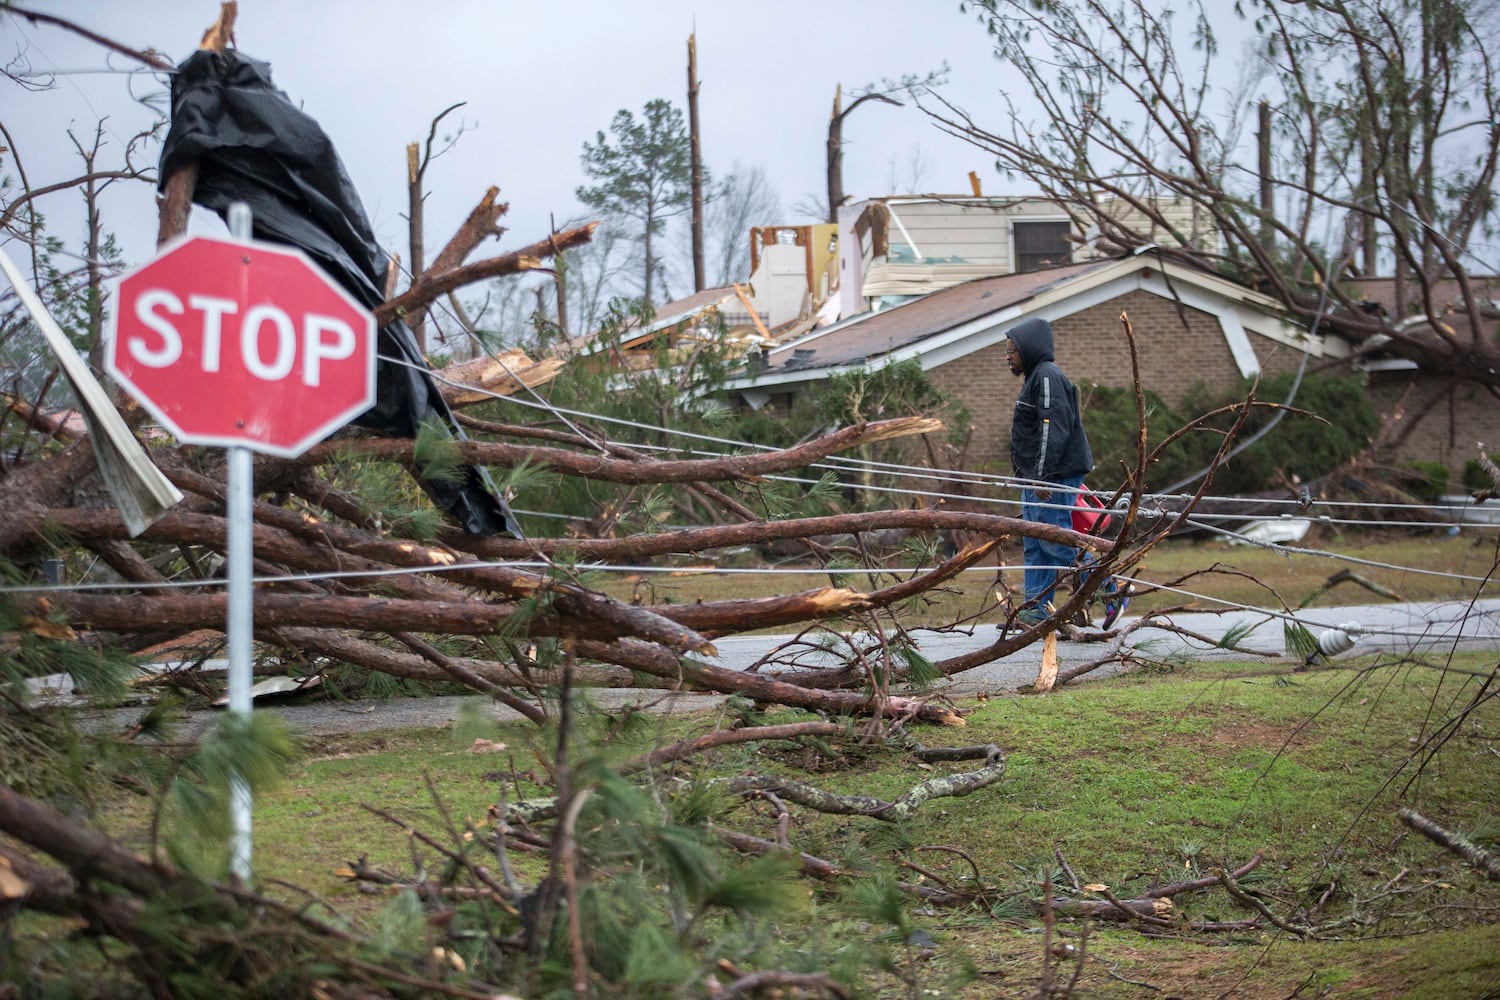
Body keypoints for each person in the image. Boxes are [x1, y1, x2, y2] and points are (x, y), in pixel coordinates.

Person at [1005, 317, 1127, 629]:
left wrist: (1042, 476)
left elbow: (1052, 428)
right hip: (1036, 478)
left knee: (1056, 540)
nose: (1008, 356)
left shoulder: (1046, 376)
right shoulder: (1035, 378)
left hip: (1052, 477)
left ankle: (1111, 591)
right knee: (1035, 542)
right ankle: (1035, 608)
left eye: (1012, 351)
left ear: (1029, 350)